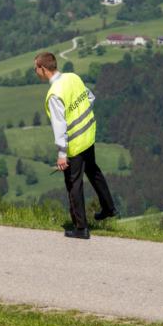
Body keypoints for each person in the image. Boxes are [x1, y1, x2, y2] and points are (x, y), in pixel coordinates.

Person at [34, 52, 117, 239]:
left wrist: (62, 154)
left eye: (36, 69)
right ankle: (109, 208)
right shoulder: (73, 77)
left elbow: (59, 125)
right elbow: (90, 97)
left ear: (43, 69)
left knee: (74, 184)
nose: (36, 72)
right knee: (94, 171)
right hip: (88, 133)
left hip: (75, 144)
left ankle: (81, 228)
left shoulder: (54, 94)